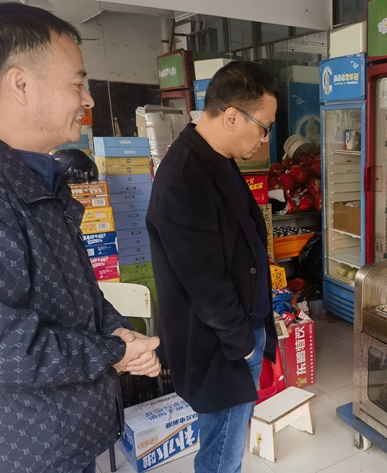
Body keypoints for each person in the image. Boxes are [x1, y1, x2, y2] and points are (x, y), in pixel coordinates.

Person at [0, 3, 162, 472]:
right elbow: (9, 346)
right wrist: (114, 351)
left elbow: (75, 295)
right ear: (20, 84)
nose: (88, 100)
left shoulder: (40, 180)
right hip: (30, 453)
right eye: (77, 84)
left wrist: (116, 330)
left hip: (65, 437)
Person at [146, 61, 279, 473]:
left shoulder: (216, 159)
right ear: (232, 116)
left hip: (238, 332)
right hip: (222, 344)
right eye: (264, 127)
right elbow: (205, 283)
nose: (264, 138)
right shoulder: (185, 178)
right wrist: (244, 345)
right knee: (221, 457)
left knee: (224, 445)